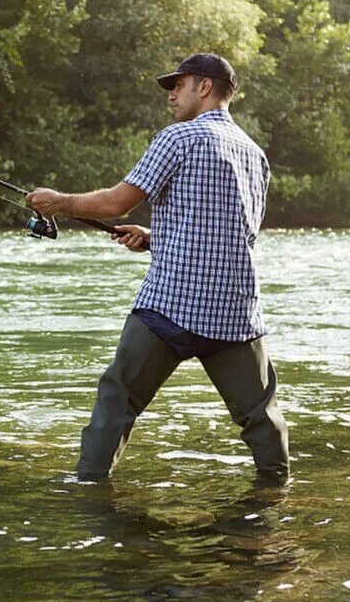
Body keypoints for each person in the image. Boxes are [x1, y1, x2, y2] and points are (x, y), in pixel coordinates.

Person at [26, 53, 289, 483]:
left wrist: (60, 202)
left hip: (171, 306)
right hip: (235, 312)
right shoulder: (255, 155)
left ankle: (90, 489)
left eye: (179, 84)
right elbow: (236, 233)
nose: (171, 94)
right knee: (260, 416)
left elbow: (116, 202)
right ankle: (277, 491)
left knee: (118, 397)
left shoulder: (177, 139)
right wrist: (156, 237)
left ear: (204, 87)